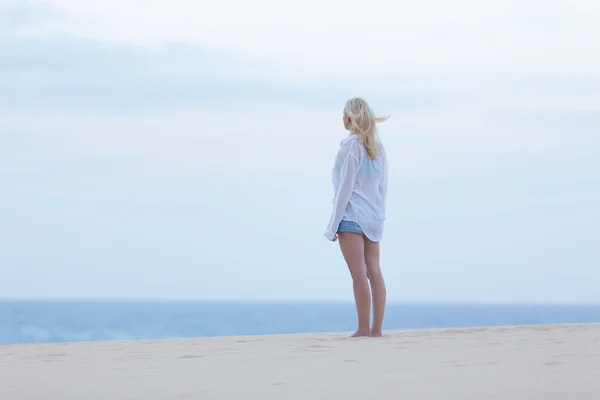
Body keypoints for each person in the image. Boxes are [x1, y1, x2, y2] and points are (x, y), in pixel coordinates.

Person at [324, 97, 389, 338]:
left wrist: (332, 225)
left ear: (349, 118)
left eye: (343, 113)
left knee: (359, 273)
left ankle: (363, 328)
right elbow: (383, 187)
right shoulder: (378, 148)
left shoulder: (350, 146)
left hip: (352, 217)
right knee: (375, 270)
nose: (341, 117)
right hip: (374, 216)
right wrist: (380, 215)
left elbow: (344, 189)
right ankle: (376, 330)